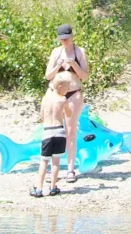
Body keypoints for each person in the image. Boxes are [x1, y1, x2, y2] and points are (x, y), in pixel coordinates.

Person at [45, 24, 89, 183]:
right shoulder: (55, 52)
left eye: (66, 38)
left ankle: (70, 169)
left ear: (72, 36)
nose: (64, 41)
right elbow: (48, 76)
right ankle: (53, 167)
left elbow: (85, 76)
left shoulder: (80, 51)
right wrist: (58, 64)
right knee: (54, 130)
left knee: (71, 131)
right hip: (56, 93)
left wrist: (74, 65)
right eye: (61, 39)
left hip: (74, 93)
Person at [31, 77, 73, 197]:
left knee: (44, 161)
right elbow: (69, 114)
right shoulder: (63, 100)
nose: (68, 89)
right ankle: (53, 187)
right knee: (56, 162)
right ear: (60, 87)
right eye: (67, 87)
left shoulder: (45, 99)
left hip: (48, 132)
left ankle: (39, 188)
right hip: (59, 132)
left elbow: (42, 116)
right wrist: (63, 111)